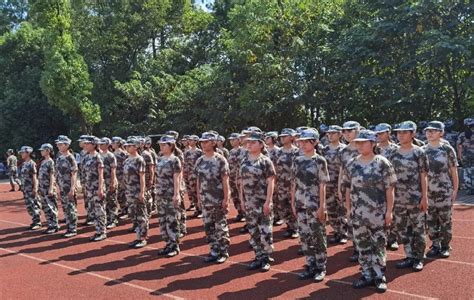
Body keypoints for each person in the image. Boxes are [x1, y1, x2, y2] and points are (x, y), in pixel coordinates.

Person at [343, 130, 396, 293]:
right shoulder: (352, 163)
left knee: (378, 245)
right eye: (357, 142)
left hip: (377, 213)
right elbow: (347, 188)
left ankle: (379, 276)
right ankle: (366, 274)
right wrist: (348, 209)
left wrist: (389, 211)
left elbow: (390, 189)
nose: (359, 145)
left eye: (363, 142)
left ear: (373, 144)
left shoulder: (382, 162)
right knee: (362, 246)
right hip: (358, 214)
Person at [291, 129, 329, 282]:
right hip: (300, 203)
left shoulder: (319, 160)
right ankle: (310, 265)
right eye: (302, 141)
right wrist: (293, 202)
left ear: (315, 142)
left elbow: (322, 185)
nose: (303, 144)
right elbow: (294, 183)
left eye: (307, 141)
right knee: (305, 236)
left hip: (314, 204)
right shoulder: (297, 160)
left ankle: (321, 267)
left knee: (318, 236)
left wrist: (322, 206)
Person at [390, 121, 428, 272]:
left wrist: (424, 197)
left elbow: (424, 175)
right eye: (399, 132)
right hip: (399, 199)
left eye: (404, 132)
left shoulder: (419, 152)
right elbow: (390, 179)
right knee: (403, 229)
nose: (401, 135)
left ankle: (419, 257)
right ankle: (409, 255)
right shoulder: (394, 153)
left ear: (413, 134)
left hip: (415, 198)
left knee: (418, 229)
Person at [239, 131, 276, 272]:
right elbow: (241, 182)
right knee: (253, 231)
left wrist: (268, 202)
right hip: (249, 203)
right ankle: (258, 256)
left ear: (261, 144)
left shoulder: (265, 161)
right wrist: (242, 200)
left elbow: (271, 182)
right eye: (248, 142)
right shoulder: (244, 160)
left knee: (265, 231)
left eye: (253, 142)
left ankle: (266, 257)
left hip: (262, 202)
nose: (249, 144)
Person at [423, 121, 459, 258]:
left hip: (444, 190)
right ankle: (435, 244)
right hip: (428, 191)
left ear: (441, 133)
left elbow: (454, 170)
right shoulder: (423, 150)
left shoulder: (447, 149)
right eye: (428, 131)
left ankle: (445, 245)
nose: (429, 133)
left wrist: (455, 190)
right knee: (430, 219)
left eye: (433, 130)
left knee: (445, 219)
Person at [195, 132, 231, 264]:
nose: (203, 144)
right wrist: (198, 198)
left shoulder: (220, 160)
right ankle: (214, 250)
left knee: (220, 227)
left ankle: (223, 251)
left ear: (213, 143)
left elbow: (225, 180)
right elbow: (198, 181)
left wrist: (226, 199)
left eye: (206, 142)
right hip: (205, 200)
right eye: (202, 142)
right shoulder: (200, 160)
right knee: (208, 227)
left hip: (217, 199)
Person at [338, 121, 362, 262]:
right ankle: (356, 248)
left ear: (357, 131)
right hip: (349, 189)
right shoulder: (344, 151)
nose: (346, 134)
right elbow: (342, 170)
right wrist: (339, 188)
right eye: (344, 131)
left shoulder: (366, 147)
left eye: (350, 131)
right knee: (351, 218)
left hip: (366, 190)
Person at [375, 123, 400, 251]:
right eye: (377, 133)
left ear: (389, 133)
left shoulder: (396, 149)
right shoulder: (374, 148)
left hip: (392, 184)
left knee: (392, 211)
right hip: (377, 186)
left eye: (382, 133)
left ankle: (393, 238)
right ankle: (381, 238)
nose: (379, 135)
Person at [156, 135, 182, 257]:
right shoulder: (160, 159)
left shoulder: (175, 160)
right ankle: (167, 243)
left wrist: (177, 194)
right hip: (160, 195)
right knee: (162, 221)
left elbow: (177, 178)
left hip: (170, 194)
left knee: (172, 220)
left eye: (163, 144)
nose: (160, 146)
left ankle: (174, 246)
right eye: (160, 144)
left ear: (171, 146)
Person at [321, 125, 347, 244]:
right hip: (328, 184)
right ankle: (336, 231)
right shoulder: (324, 150)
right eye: (328, 134)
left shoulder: (344, 150)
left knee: (342, 210)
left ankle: (344, 232)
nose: (330, 135)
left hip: (340, 185)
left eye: (333, 133)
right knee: (331, 210)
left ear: (340, 134)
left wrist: (341, 186)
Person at [123, 137, 148, 248]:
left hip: (137, 191)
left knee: (141, 215)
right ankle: (138, 236)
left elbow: (142, 177)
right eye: (127, 146)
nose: (127, 148)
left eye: (130, 146)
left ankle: (143, 238)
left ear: (136, 147)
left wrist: (142, 192)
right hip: (129, 191)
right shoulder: (127, 160)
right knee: (133, 214)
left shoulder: (140, 160)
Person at [275, 128, 300, 239]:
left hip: (293, 185)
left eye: (284, 136)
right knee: (282, 207)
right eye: (281, 136)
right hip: (281, 184)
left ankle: (296, 228)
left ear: (291, 138)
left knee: (293, 206)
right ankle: (289, 226)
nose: (282, 138)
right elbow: (274, 168)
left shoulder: (297, 152)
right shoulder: (278, 151)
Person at [82, 136, 107, 242]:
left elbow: (101, 174)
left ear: (94, 145)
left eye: (88, 144)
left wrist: (100, 188)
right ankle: (97, 230)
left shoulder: (98, 157)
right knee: (93, 210)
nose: (85, 145)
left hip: (97, 187)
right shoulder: (87, 157)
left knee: (99, 210)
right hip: (89, 188)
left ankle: (102, 231)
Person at [55, 135, 79, 237]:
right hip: (62, 187)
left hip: (69, 187)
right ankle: (69, 227)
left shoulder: (70, 158)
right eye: (58, 144)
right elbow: (57, 173)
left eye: (60, 144)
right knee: (65, 208)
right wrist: (57, 187)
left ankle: (72, 229)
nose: (58, 146)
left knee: (71, 208)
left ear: (67, 145)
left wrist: (73, 188)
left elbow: (74, 174)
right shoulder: (59, 158)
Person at [37, 143, 59, 234]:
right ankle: (50, 224)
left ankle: (54, 225)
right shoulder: (43, 162)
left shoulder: (51, 162)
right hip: (42, 189)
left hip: (48, 189)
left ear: (48, 151)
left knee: (51, 207)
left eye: (43, 150)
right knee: (45, 207)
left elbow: (52, 176)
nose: (41, 152)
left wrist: (51, 188)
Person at [18, 146, 41, 230]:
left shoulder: (32, 163)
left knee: (34, 205)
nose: (21, 154)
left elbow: (35, 177)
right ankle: (34, 220)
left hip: (31, 188)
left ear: (28, 153)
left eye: (22, 152)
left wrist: (35, 188)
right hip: (26, 189)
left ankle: (38, 222)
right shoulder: (24, 163)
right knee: (29, 206)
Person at [265, 131, 283, 226]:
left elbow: (278, 166)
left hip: (276, 177)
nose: (266, 139)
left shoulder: (277, 150)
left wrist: (275, 180)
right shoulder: (265, 150)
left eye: (268, 138)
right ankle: (272, 216)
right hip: (267, 178)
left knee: (277, 199)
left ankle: (279, 217)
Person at [228, 133, 246, 223]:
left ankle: (245, 214)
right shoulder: (231, 151)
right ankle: (240, 212)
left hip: (239, 177)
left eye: (233, 139)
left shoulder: (242, 151)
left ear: (238, 140)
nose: (231, 141)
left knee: (241, 196)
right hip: (232, 177)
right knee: (235, 196)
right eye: (230, 140)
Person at [184, 135, 203, 217]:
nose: (190, 141)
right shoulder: (187, 152)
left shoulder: (199, 152)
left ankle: (201, 210)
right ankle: (197, 209)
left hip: (197, 176)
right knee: (192, 192)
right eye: (189, 140)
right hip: (189, 175)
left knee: (198, 192)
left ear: (196, 141)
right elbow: (185, 164)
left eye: (192, 140)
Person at [112, 137, 129, 220]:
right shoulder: (113, 153)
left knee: (123, 195)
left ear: (118, 143)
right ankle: (123, 210)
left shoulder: (123, 154)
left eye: (114, 142)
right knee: (118, 195)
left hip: (122, 177)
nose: (112, 144)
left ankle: (126, 211)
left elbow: (126, 166)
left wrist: (124, 178)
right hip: (115, 177)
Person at [457, 118, 474, 194]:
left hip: (465, 156)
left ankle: (469, 188)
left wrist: (459, 156)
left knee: (467, 171)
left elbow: (459, 145)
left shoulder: (462, 135)